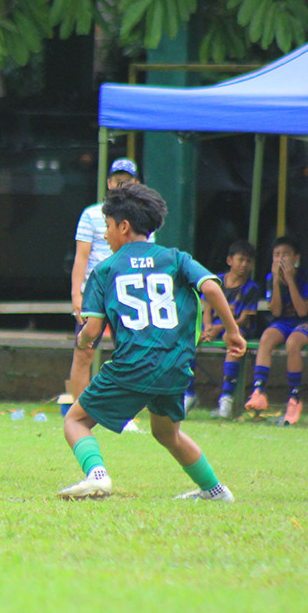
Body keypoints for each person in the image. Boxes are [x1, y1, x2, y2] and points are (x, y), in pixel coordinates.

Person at [58, 183, 245, 502]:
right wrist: (232, 332)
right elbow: (212, 288)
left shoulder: (105, 270)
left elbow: (92, 329)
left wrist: (82, 342)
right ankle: (215, 491)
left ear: (124, 226)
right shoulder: (175, 258)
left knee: (75, 420)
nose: (104, 235)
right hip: (174, 366)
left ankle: (96, 476)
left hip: (132, 365)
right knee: (166, 433)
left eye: (106, 227)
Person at [68, 157, 142, 402]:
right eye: (117, 181)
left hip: (127, 292)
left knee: (129, 354)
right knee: (83, 353)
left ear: (136, 184)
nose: (121, 186)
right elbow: (82, 256)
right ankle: (79, 413)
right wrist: (77, 294)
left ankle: (125, 412)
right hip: (94, 292)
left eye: (127, 182)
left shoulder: (143, 218)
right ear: (109, 183)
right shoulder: (91, 214)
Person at [182, 240, 260, 419]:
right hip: (212, 328)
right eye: (240, 259)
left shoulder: (251, 288)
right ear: (229, 260)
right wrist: (208, 327)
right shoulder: (215, 280)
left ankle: (226, 399)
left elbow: (242, 320)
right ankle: (188, 393)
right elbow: (206, 308)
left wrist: (218, 328)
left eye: (248, 261)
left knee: (232, 339)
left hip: (236, 329)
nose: (244, 265)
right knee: (188, 338)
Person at [243, 235, 308, 425]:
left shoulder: (303, 276)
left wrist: (290, 280)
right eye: (276, 255)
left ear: (296, 258)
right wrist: (277, 283)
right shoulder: (271, 278)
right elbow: (277, 311)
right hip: (284, 322)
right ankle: (259, 391)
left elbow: (302, 311)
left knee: (293, 343)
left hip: (303, 322)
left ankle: (294, 397)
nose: (281, 259)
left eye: (285, 255)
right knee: (266, 337)